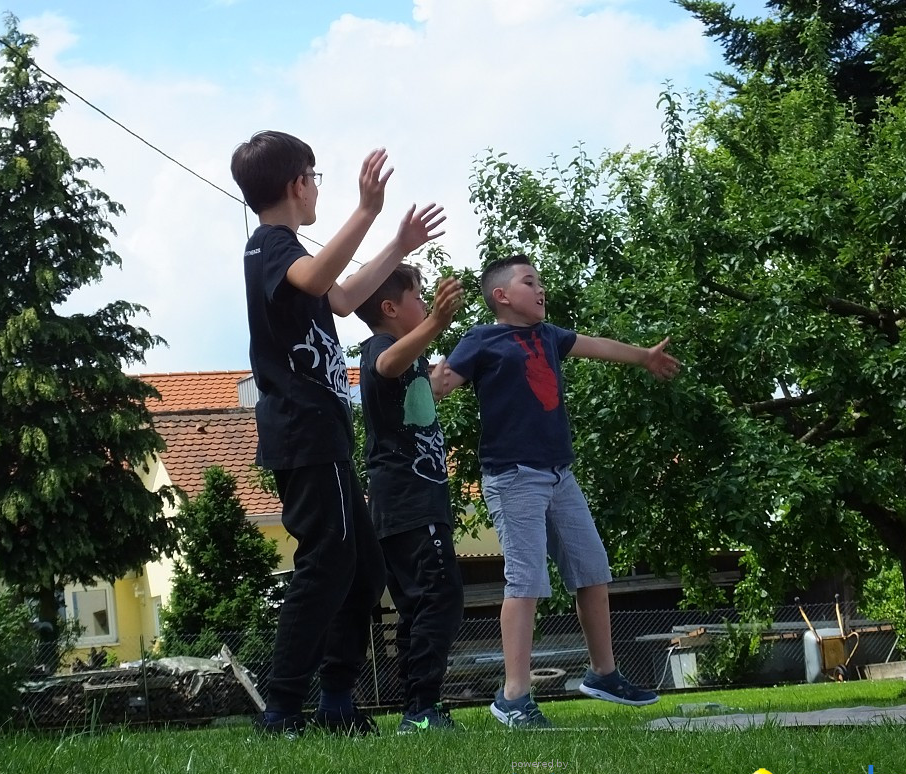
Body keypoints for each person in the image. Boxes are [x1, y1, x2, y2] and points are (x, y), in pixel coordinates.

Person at [230, 130, 446, 736]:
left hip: (322, 434)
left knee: (364, 567)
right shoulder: (270, 246)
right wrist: (368, 211)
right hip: (302, 431)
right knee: (326, 563)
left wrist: (397, 242)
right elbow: (319, 278)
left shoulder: (295, 259)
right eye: (315, 177)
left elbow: (344, 295)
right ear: (300, 184)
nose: (318, 188)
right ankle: (283, 707)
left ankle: (335, 700)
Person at [433, 254, 680, 729]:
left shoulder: (549, 336)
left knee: (593, 569)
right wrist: (430, 379)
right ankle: (513, 697)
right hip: (512, 476)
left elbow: (598, 346)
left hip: (559, 474)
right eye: (530, 282)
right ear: (502, 296)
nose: (541, 288)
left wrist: (644, 356)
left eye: (541, 281)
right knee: (525, 579)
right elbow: (443, 383)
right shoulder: (482, 340)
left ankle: (604, 674)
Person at [353, 264, 466, 734]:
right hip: (407, 504)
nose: (424, 304)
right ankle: (422, 709)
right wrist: (436, 322)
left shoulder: (410, 359)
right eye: (419, 297)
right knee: (440, 595)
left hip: (414, 504)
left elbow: (419, 392)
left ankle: (417, 710)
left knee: (420, 604)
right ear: (390, 308)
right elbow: (387, 366)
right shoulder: (381, 350)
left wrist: (445, 376)